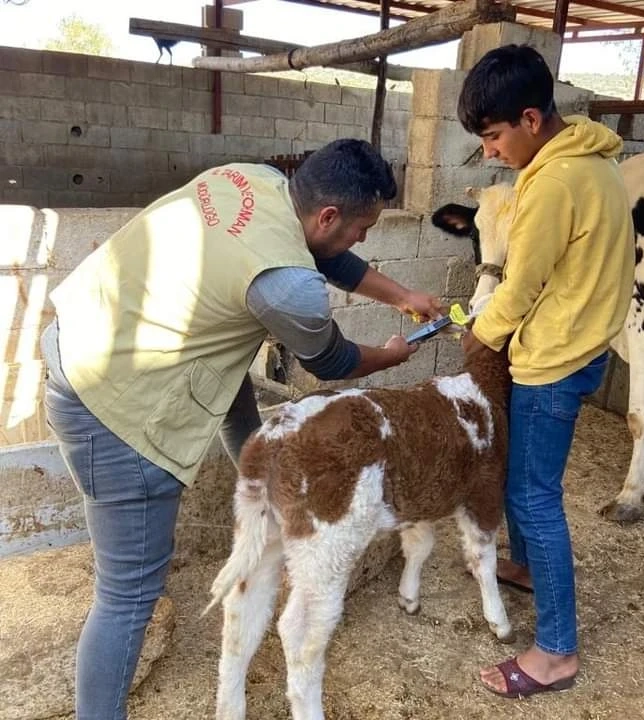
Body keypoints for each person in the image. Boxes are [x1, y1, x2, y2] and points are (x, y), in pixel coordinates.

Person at [41, 138, 442, 720]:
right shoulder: (287, 287)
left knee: (232, 383)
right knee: (127, 595)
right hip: (113, 403)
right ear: (328, 215)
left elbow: (326, 254)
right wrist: (390, 354)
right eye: (363, 228)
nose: (365, 240)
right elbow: (332, 363)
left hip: (79, 332)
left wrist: (401, 293)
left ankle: (261, 493)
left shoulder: (250, 180)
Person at [456, 45, 634, 697]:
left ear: (531, 119)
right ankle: (528, 569)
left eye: (495, 137)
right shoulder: (592, 162)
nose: (491, 153)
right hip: (579, 345)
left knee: (534, 494)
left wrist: (478, 336)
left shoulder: (555, 182)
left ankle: (557, 651)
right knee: (520, 479)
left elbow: (521, 285)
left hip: (552, 361)